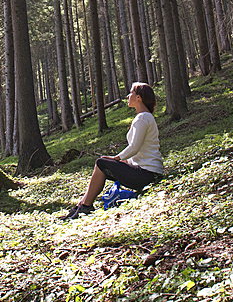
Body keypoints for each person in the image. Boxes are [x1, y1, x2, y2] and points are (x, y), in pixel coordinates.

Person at [63, 81, 164, 219]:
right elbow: (137, 151)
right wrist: (118, 161)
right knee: (102, 163)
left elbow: (134, 147)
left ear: (139, 97)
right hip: (146, 172)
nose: (128, 96)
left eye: (131, 93)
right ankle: (82, 204)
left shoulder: (143, 118)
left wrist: (117, 158)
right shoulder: (144, 117)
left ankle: (85, 206)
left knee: (102, 163)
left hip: (147, 175)